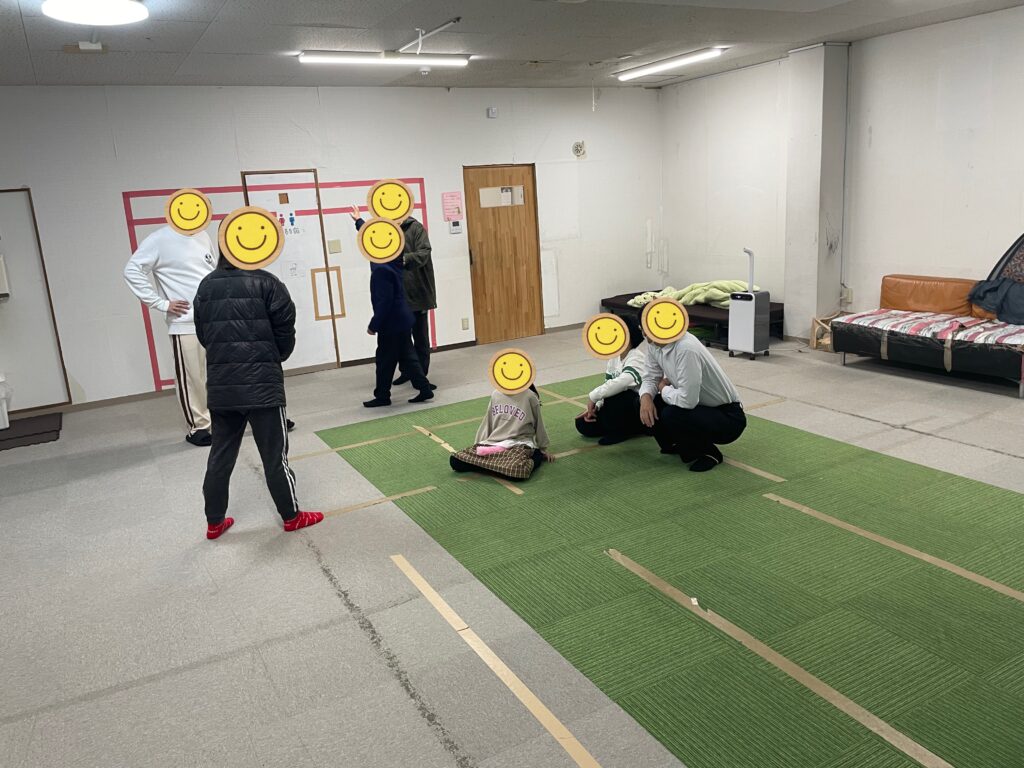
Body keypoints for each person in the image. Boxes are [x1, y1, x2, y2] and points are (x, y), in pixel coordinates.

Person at [193, 253, 323, 539]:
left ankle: (214, 522)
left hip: (222, 385)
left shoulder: (206, 285)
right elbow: (285, 330)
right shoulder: (268, 283)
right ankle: (291, 516)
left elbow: (203, 334)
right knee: (274, 456)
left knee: (220, 456)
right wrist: (275, 357)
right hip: (263, 386)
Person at [124, 223, 216, 446]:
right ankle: (199, 427)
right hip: (185, 323)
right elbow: (132, 270)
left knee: (222, 374)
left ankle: (230, 419)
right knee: (192, 378)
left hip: (215, 319)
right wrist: (161, 303)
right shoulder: (159, 239)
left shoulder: (202, 235)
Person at [350, 206, 437, 389]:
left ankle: (422, 377)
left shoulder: (415, 228)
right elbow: (372, 237)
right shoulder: (386, 229)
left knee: (420, 338)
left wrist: (402, 259)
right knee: (403, 340)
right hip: (399, 297)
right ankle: (408, 373)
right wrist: (359, 221)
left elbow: (424, 252)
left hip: (418, 292)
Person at [639, 331, 746, 472]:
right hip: (699, 408)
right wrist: (645, 397)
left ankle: (709, 453)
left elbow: (687, 401)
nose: (647, 337)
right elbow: (650, 377)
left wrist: (663, 388)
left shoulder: (686, 348)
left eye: (649, 332)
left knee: (672, 413)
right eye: (644, 331)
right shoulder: (655, 343)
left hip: (728, 417)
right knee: (647, 402)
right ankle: (676, 444)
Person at [364, 259, 434, 407]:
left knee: (384, 361)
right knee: (409, 357)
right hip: (402, 319)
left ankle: (382, 396)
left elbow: (385, 302)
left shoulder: (381, 270)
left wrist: (373, 325)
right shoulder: (392, 265)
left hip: (391, 323)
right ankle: (424, 388)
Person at [450, 384, 554, 481]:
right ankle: (498, 468)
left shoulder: (530, 396)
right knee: (455, 460)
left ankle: (536, 455)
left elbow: (539, 424)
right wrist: (478, 445)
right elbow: (488, 421)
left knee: (519, 471)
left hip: (519, 444)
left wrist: (542, 449)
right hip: (494, 442)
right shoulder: (496, 394)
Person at [575, 316, 650, 445]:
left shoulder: (636, 358)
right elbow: (608, 384)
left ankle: (625, 430)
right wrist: (596, 406)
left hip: (636, 407)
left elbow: (623, 382)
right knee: (582, 423)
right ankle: (622, 428)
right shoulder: (614, 358)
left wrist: (593, 396)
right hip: (619, 410)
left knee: (616, 395)